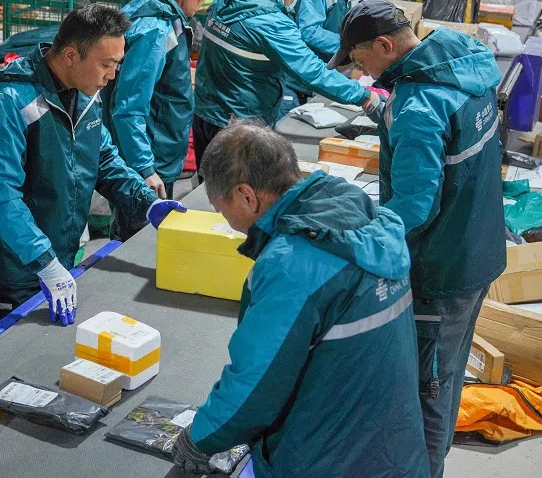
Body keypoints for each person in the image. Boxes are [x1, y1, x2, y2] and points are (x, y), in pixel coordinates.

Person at [171, 120, 429, 478]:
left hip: (329, 458)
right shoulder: (362, 213)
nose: (223, 216)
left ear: (247, 196)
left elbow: (258, 382)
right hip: (393, 445)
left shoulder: (293, 263)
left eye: (220, 206)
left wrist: (201, 438)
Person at [328, 0, 506, 478]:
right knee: (448, 374)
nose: (360, 73)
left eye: (361, 60)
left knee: (428, 386)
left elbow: (413, 207)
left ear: (385, 46)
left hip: (440, 269)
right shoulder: (463, 60)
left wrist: (353, 242)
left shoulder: (418, 106)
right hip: (478, 247)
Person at [0, 4, 186, 329]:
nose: (112, 76)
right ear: (70, 55)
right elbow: (0, 197)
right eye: (106, 65)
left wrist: (146, 202)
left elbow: (105, 161)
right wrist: (44, 261)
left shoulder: (86, 93)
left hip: (59, 257)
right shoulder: (11, 101)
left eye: (117, 65)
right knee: (1, 359)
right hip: (12, 270)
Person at [193, 0, 378, 164]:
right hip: (237, 122)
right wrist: (363, 96)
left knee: (210, 184)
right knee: (236, 187)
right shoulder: (270, 21)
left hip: (205, 111)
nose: (296, 3)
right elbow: (310, 70)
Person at [101, 0, 215, 241]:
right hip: (151, 154)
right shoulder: (155, 30)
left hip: (158, 146)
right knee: (138, 238)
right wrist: (145, 167)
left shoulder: (160, 11)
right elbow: (128, 107)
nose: (204, 2)